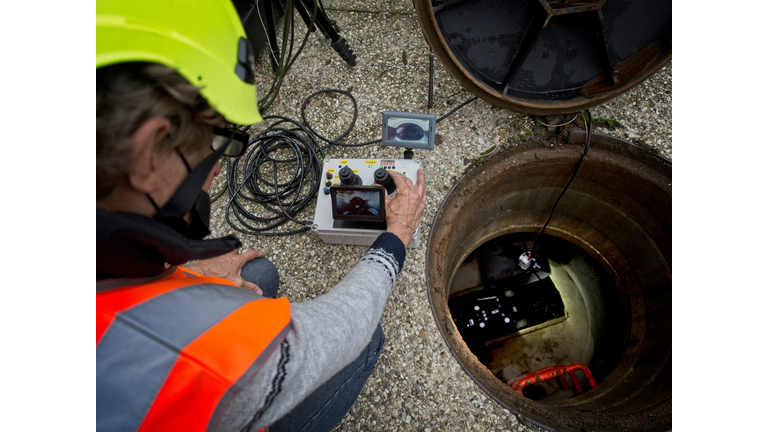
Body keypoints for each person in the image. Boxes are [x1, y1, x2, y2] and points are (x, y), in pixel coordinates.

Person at [95, 1, 428, 431]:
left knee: (259, 273)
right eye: (221, 140)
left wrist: (187, 276)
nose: (219, 168)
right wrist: (398, 230)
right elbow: (342, 328)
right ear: (149, 152)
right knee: (367, 338)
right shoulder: (203, 356)